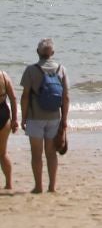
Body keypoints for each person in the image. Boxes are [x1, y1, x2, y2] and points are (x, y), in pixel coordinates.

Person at [19, 40, 68, 195]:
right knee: (51, 153)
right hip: (54, 117)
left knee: (36, 154)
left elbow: (25, 96)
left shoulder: (31, 70)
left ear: (37, 52)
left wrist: (23, 117)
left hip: (35, 117)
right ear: (52, 53)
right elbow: (66, 97)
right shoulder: (61, 69)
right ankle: (52, 186)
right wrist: (64, 120)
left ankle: (38, 186)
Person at [0, 62, 17, 192]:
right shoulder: (4, 76)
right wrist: (15, 119)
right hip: (3, 114)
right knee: (3, 153)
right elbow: (13, 98)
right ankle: (9, 184)